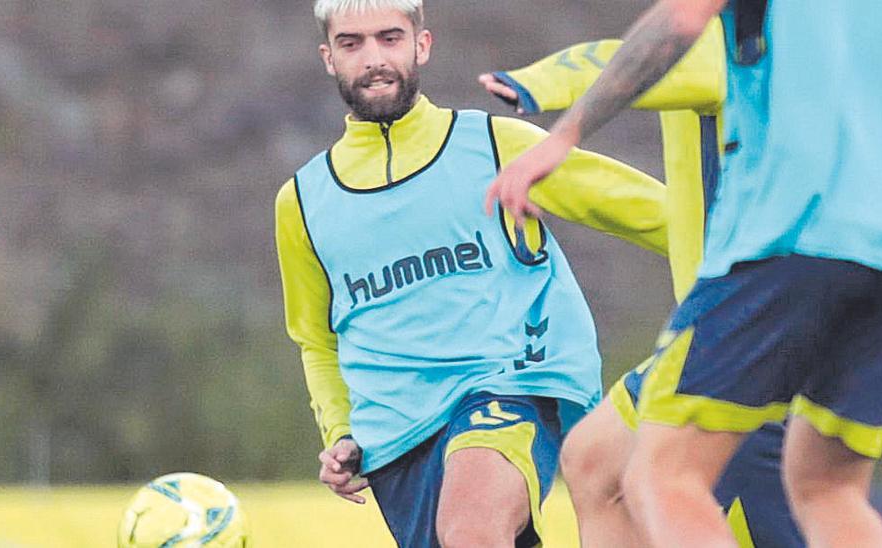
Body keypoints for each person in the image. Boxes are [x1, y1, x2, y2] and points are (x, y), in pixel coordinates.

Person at [485, 1, 882, 546]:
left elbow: (679, 22)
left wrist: (563, 133)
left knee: (663, 475)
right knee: (828, 490)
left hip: (786, 239)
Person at [275, 1, 672, 545]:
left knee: (470, 530)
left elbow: (651, 212)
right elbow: (317, 341)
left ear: (422, 45)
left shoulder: (493, 143)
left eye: (389, 38)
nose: (373, 58)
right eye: (352, 43)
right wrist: (340, 430)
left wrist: (758, 267)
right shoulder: (302, 201)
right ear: (328, 57)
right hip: (395, 438)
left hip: (510, 385)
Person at [478, 21, 802, 547]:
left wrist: (541, 83)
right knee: (594, 459)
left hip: (757, 327)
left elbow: (663, 57)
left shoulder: (737, 38)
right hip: (717, 326)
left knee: (779, 511)